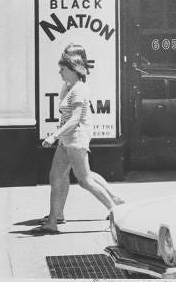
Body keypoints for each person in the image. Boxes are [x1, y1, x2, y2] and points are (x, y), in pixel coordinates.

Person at [31, 43, 124, 234]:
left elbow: (75, 119)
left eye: (63, 69)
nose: (60, 72)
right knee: (56, 176)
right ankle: (53, 221)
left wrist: (54, 136)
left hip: (75, 139)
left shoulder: (79, 89)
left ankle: (117, 213)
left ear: (73, 70)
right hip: (66, 140)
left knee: (84, 179)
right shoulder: (71, 86)